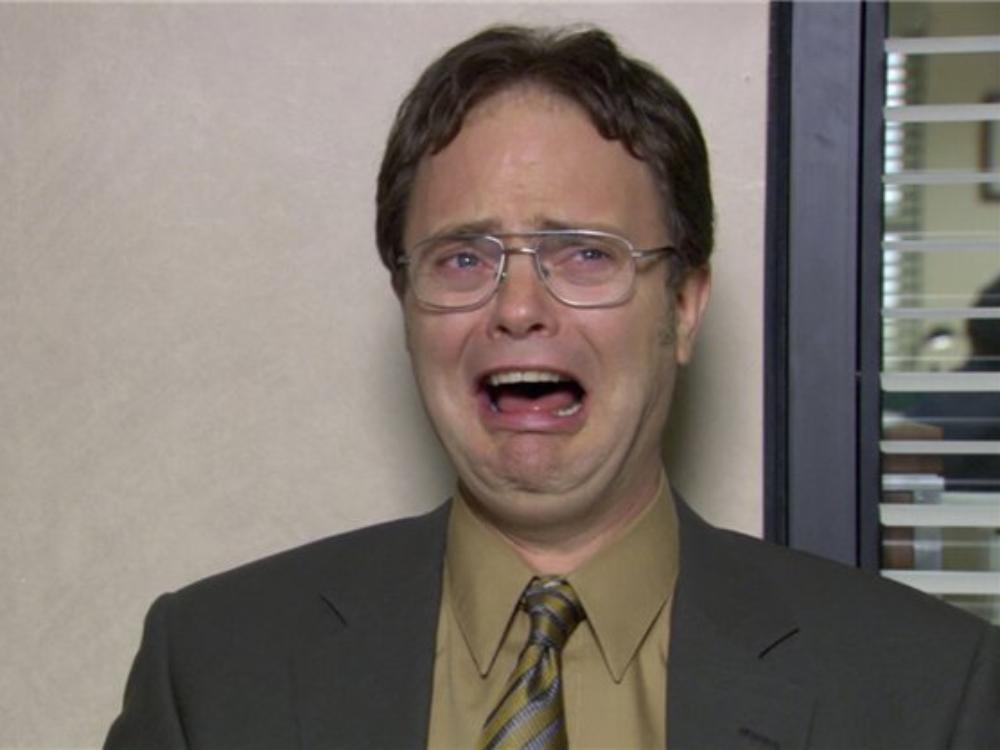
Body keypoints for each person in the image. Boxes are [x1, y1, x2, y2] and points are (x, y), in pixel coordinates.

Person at [105, 25, 999, 750]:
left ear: (684, 307)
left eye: (584, 254)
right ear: (406, 305)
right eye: (463, 257)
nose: (519, 308)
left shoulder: (926, 694)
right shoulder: (214, 672)